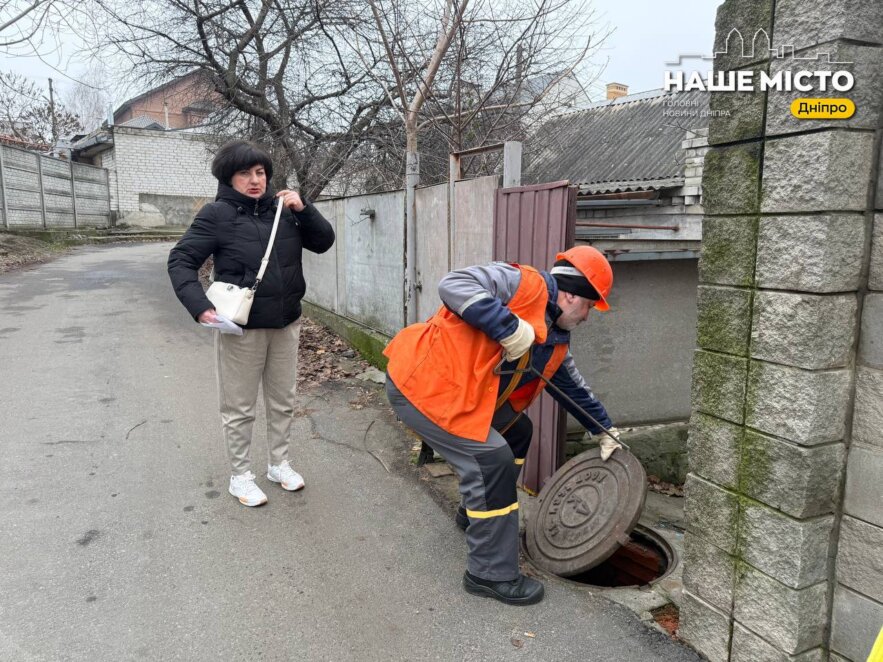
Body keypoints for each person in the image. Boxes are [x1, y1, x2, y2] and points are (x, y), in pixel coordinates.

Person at [383, 246, 621, 605]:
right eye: (590, 306)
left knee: (519, 432)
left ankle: (477, 518)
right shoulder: (520, 283)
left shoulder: (555, 338)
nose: (588, 316)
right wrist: (508, 327)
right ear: (572, 294)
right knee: (490, 459)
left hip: (458, 393)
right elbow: (454, 283)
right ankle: (489, 574)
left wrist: (602, 428)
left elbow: (570, 386)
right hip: (421, 385)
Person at [168, 140, 335, 507]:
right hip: (240, 329)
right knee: (239, 406)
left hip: (286, 323)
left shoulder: (285, 211)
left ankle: (279, 464)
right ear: (229, 178)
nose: (255, 180)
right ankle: (240, 475)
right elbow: (181, 260)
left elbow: (323, 242)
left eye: (260, 172)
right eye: (245, 173)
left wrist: (304, 210)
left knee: (283, 400)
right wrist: (199, 307)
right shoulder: (217, 215)